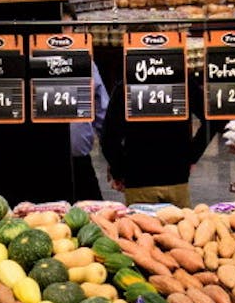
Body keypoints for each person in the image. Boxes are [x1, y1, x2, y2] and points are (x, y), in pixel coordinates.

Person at [101, 75, 211, 207]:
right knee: (180, 226)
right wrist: (192, 155)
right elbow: (213, 118)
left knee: (139, 228)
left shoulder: (125, 85)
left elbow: (109, 138)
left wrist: (119, 171)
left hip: (138, 180)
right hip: (177, 178)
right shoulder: (184, 82)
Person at [68, 61, 109, 201]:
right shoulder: (83, 61)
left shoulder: (84, 60)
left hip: (79, 163)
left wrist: (113, 157)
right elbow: (103, 113)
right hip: (33, 160)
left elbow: (102, 113)